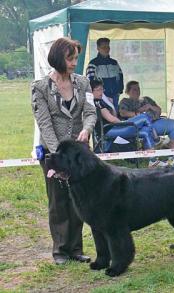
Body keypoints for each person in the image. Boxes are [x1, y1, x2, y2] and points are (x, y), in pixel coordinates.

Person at [30, 37, 96, 265]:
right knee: (58, 202)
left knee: (78, 200)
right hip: (55, 153)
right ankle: (60, 250)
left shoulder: (83, 83)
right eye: (70, 58)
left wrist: (87, 129)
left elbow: (90, 111)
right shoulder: (40, 88)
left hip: (79, 154)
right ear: (58, 58)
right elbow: (44, 122)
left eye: (76, 58)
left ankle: (76, 249)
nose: (74, 62)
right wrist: (59, 153)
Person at [118, 81, 174, 149]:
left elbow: (159, 111)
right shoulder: (125, 101)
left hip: (155, 122)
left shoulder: (146, 99)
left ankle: (172, 151)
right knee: (146, 129)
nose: (137, 91)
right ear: (128, 91)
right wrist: (138, 113)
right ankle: (154, 146)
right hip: (139, 126)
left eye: (138, 89)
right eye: (134, 89)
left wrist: (150, 106)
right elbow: (123, 113)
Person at [86, 37, 124, 110]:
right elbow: (90, 81)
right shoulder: (93, 63)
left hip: (115, 96)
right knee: (105, 118)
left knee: (114, 116)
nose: (106, 49)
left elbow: (120, 76)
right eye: (103, 47)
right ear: (98, 48)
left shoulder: (114, 63)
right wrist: (100, 94)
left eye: (108, 47)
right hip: (101, 97)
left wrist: (119, 90)